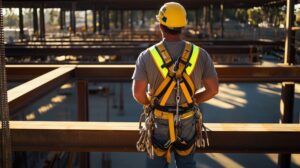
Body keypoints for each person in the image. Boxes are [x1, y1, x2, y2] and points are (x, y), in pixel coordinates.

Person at [132, 2, 219, 168]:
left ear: (160, 26)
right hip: (187, 120)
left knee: (156, 163)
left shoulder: (146, 56)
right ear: (183, 26)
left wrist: (151, 102)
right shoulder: (201, 54)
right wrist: (193, 100)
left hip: (159, 121)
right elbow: (213, 89)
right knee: (187, 163)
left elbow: (138, 94)